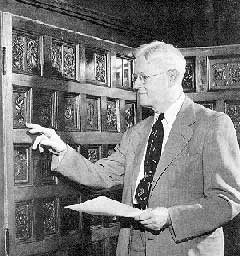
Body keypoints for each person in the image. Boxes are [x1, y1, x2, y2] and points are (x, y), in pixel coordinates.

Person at [27, 41, 240, 256]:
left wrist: (170, 217)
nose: (136, 85)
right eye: (136, 78)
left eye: (144, 77)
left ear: (172, 77)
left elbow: (227, 201)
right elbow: (102, 175)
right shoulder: (136, 132)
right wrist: (61, 149)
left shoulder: (212, 124)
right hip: (132, 246)